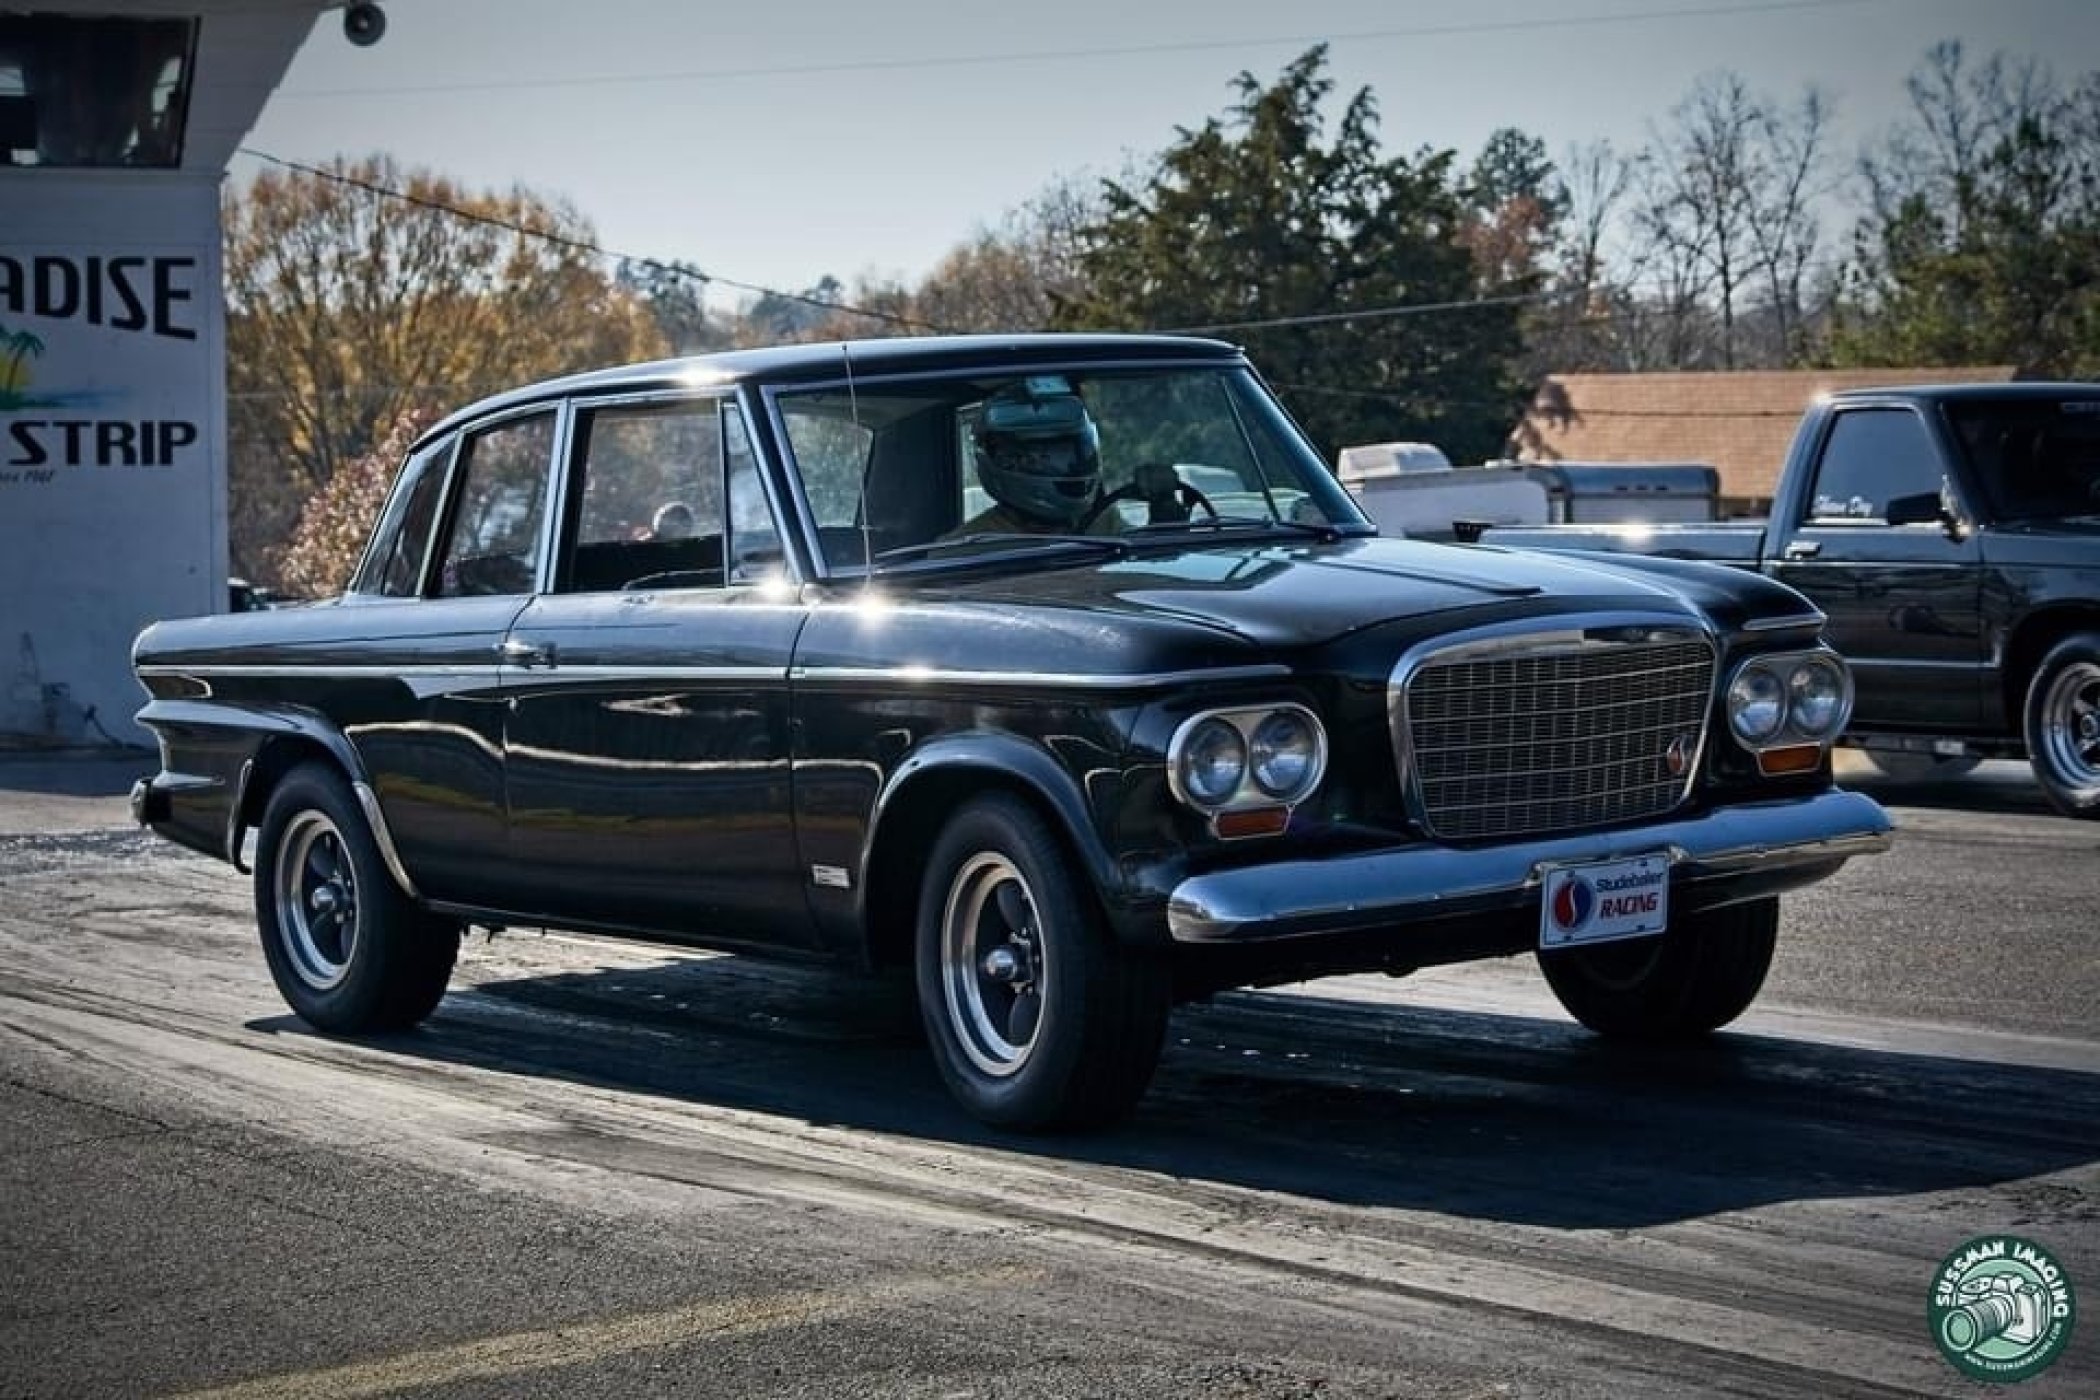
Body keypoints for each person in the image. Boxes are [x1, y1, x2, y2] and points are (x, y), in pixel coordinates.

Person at [949, 378, 1118, 537]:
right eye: (1048, 454)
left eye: (1069, 451)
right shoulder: (964, 550)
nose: (1069, 463)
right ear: (1008, 461)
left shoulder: (1102, 520)